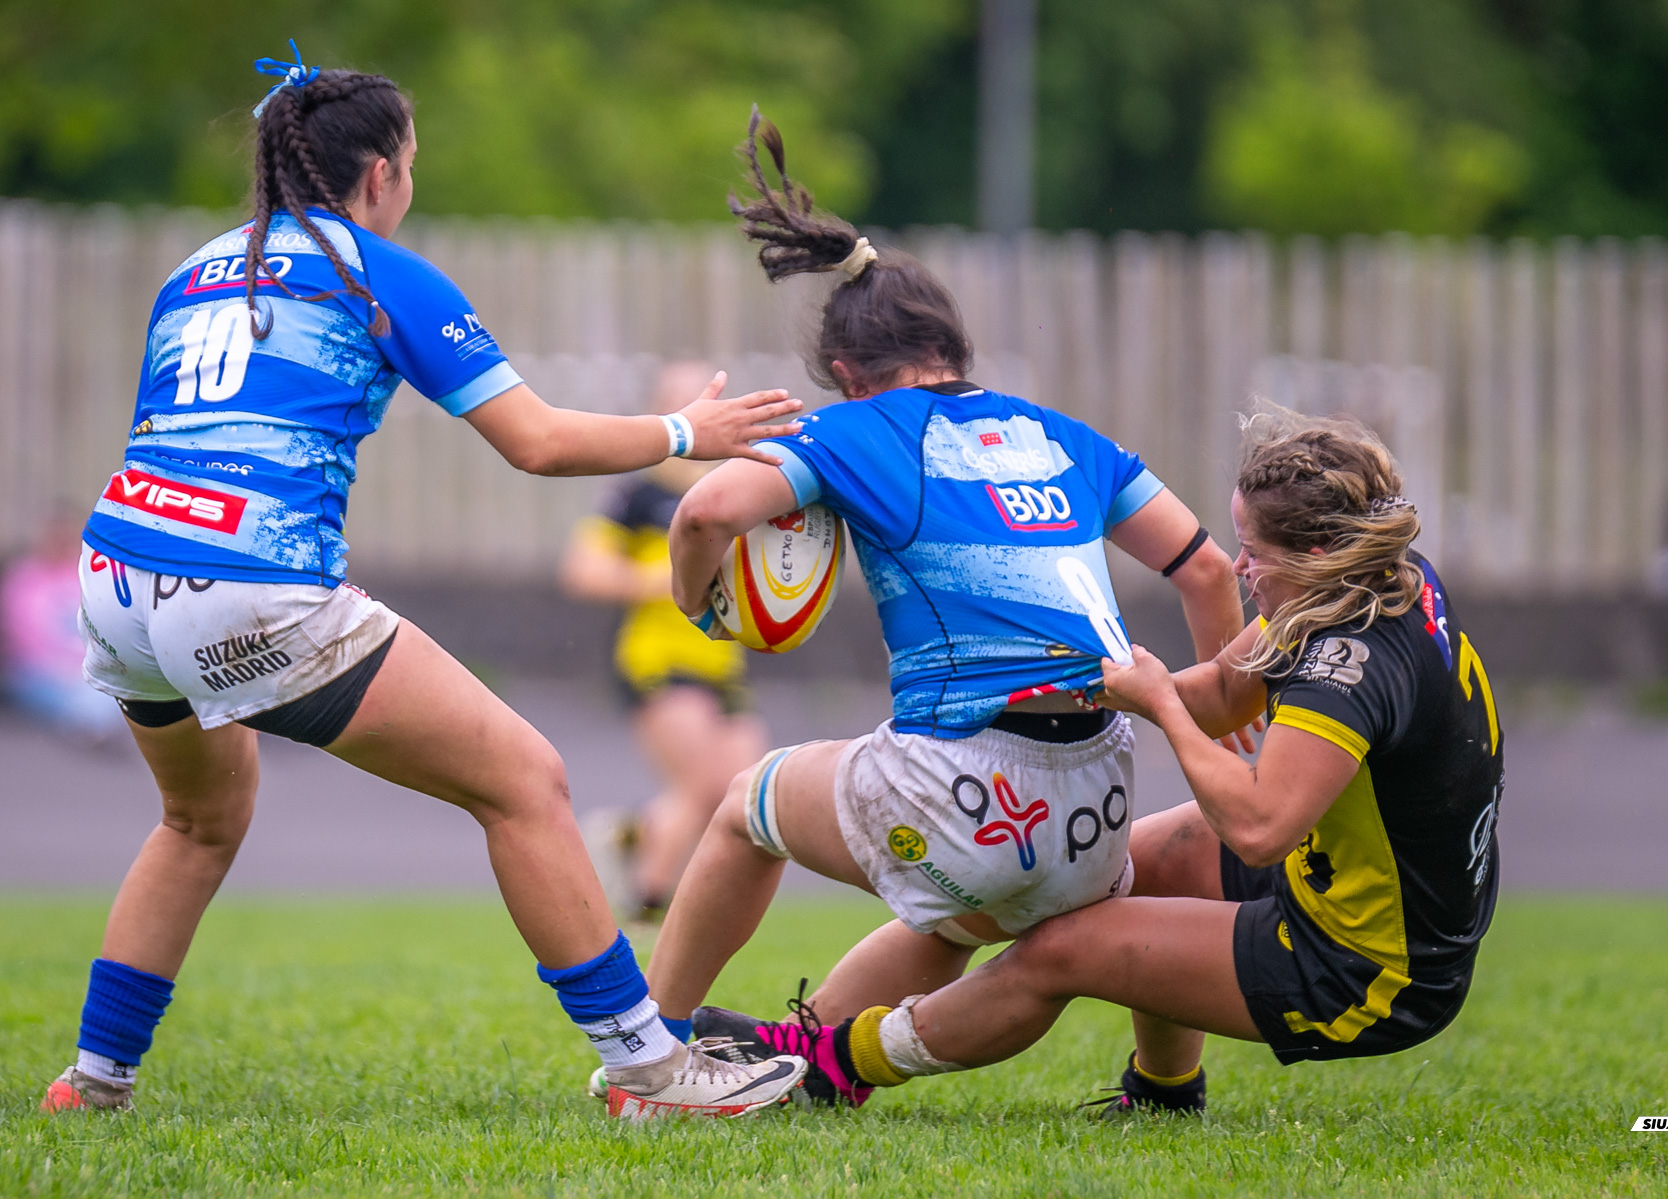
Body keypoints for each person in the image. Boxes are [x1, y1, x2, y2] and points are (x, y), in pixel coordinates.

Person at [40, 48, 810, 1120]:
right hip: (247, 580)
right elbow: (536, 441)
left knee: (198, 821)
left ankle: (93, 1079)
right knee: (526, 780)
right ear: (383, 174)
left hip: (116, 578)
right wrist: (692, 431)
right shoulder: (373, 267)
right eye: (413, 164)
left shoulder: (197, 268)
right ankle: (651, 1067)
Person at [642, 109, 1246, 1107]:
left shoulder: (858, 430)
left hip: (965, 787)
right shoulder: (1064, 437)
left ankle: (648, 1053)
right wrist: (1228, 723)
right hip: (1097, 805)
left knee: (745, 805)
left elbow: (707, 506)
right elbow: (1211, 575)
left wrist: (697, 600)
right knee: (958, 916)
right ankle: (817, 1059)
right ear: (957, 349)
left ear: (844, 374)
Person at [756, 406, 1505, 1113]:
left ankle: (833, 1062)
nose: (1240, 565)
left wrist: (1162, 708)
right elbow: (1218, 690)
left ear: (1313, 553)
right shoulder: (1366, 578)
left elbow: (1258, 826)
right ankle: (1164, 1091)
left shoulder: (1347, 663)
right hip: (1353, 879)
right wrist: (1075, 691)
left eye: (1255, 551)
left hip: (1373, 971)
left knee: (1064, 947)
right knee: (1126, 867)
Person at [561, 361, 767, 920]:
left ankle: (632, 835)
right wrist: (670, 577)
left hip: (721, 659)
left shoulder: (741, 488)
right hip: (656, 658)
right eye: (682, 398)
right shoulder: (637, 495)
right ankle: (646, 906)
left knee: (744, 792)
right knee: (700, 785)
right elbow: (583, 571)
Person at [2, 509, 126, 745]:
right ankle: (89, 721)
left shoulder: (83, 576)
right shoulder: (26, 577)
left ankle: (95, 720)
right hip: (38, 668)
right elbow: (25, 634)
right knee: (60, 693)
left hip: (84, 666)